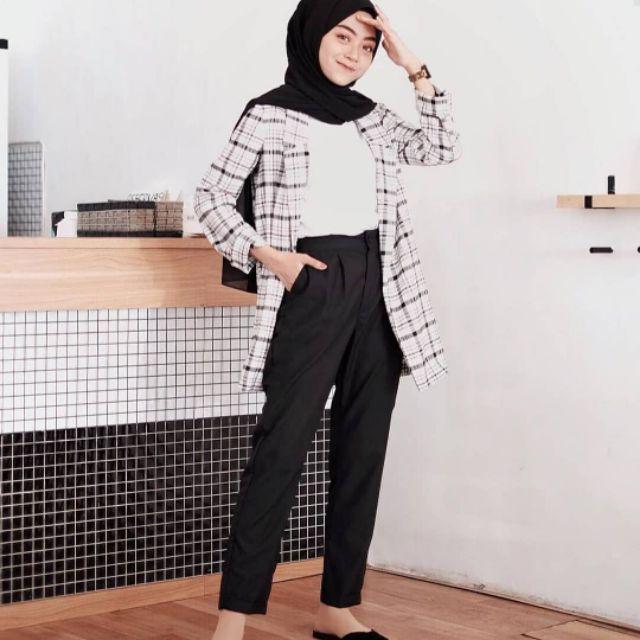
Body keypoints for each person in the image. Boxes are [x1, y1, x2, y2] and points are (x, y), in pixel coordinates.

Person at [193, 1, 462, 638]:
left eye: (367, 46)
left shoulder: (372, 117)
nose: (354, 54)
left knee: (362, 452)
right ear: (312, 33)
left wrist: (413, 66)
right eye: (343, 36)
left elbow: (442, 146)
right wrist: (269, 257)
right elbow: (211, 196)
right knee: (280, 452)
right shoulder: (269, 113)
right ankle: (232, 622)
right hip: (311, 281)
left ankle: (337, 609)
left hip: (381, 283)